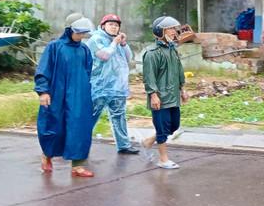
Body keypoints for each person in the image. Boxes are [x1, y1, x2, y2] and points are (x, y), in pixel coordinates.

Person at [35, 16, 97, 177]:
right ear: (69, 30)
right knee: (55, 127)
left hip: (79, 95)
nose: (81, 36)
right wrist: (43, 91)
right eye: (78, 33)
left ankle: (77, 165)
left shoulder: (84, 50)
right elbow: (43, 70)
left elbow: (87, 71)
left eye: (84, 33)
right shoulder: (54, 47)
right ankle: (47, 156)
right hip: (57, 93)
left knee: (79, 128)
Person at [86, 14, 139, 155]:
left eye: (116, 25)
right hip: (99, 86)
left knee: (119, 116)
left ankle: (124, 145)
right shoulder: (96, 39)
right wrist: (115, 42)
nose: (114, 27)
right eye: (111, 24)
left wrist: (123, 44)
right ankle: (77, 143)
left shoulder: (117, 41)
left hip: (117, 87)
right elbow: (104, 55)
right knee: (90, 116)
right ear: (103, 26)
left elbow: (129, 58)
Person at [141, 16, 188, 169]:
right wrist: (153, 95)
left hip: (173, 95)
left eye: (175, 28)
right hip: (160, 98)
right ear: (160, 31)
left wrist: (182, 89)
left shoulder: (173, 50)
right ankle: (163, 159)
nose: (174, 32)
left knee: (174, 125)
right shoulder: (152, 53)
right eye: (170, 29)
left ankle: (148, 141)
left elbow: (179, 71)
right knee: (162, 128)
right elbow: (149, 77)